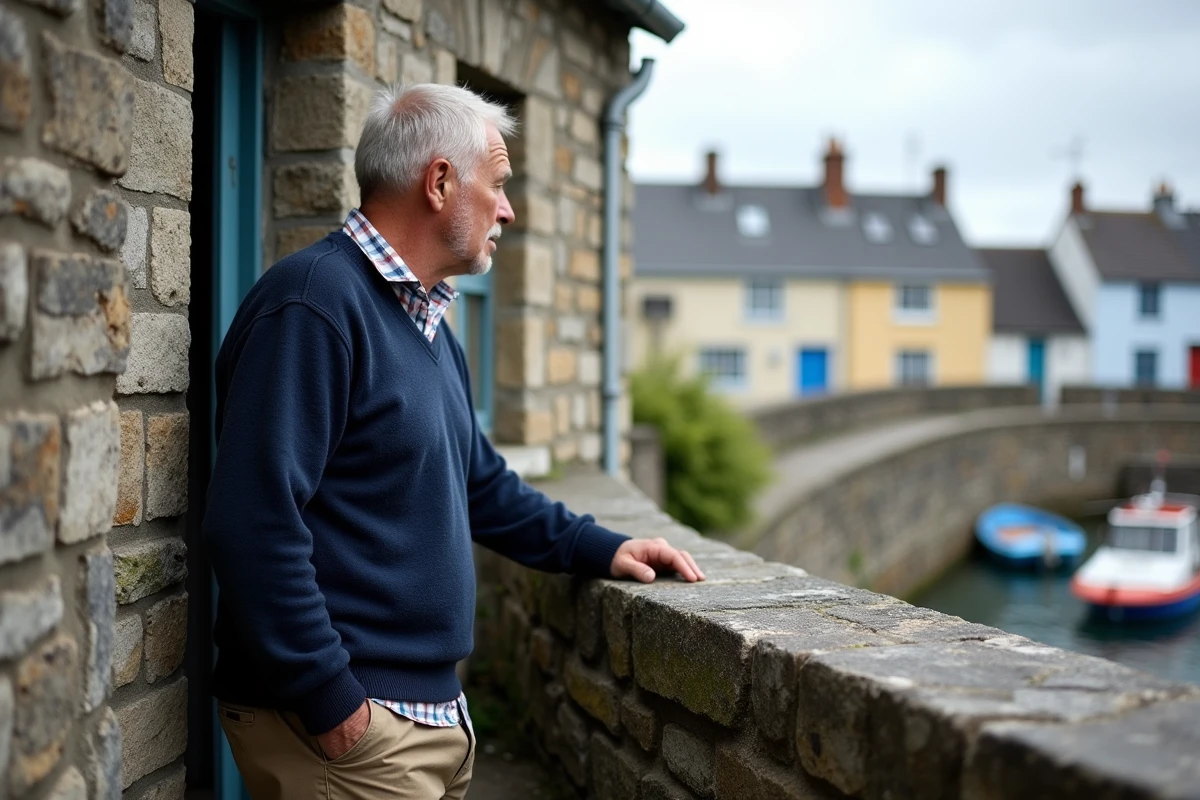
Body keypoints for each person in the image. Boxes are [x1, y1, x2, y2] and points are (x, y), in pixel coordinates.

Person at [202, 82, 704, 800]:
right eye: (497, 184)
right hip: (348, 734)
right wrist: (331, 700)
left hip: (423, 719)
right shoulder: (313, 305)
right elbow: (252, 520)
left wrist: (600, 546)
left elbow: (479, 485)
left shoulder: (429, 323)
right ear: (439, 182)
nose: (509, 209)